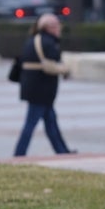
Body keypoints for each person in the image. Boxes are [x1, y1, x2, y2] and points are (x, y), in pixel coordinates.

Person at [13, 14, 74, 156]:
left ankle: (62, 151)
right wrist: (65, 70)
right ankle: (19, 153)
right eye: (57, 25)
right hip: (41, 90)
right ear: (50, 27)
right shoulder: (48, 42)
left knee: (51, 123)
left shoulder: (34, 39)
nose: (59, 28)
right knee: (31, 123)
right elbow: (54, 63)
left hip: (35, 88)